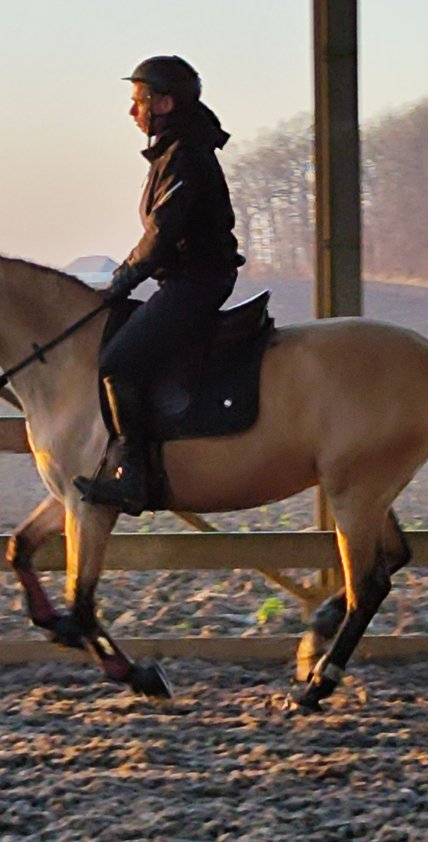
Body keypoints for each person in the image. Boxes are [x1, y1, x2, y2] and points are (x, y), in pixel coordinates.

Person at [74, 55, 244, 515]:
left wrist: (123, 278)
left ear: (165, 102)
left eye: (139, 101)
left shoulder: (184, 154)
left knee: (117, 363)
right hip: (187, 279)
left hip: (196, 282)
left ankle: (135, 476)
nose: (133, 112)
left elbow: (162, 234)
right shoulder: (174, 150)